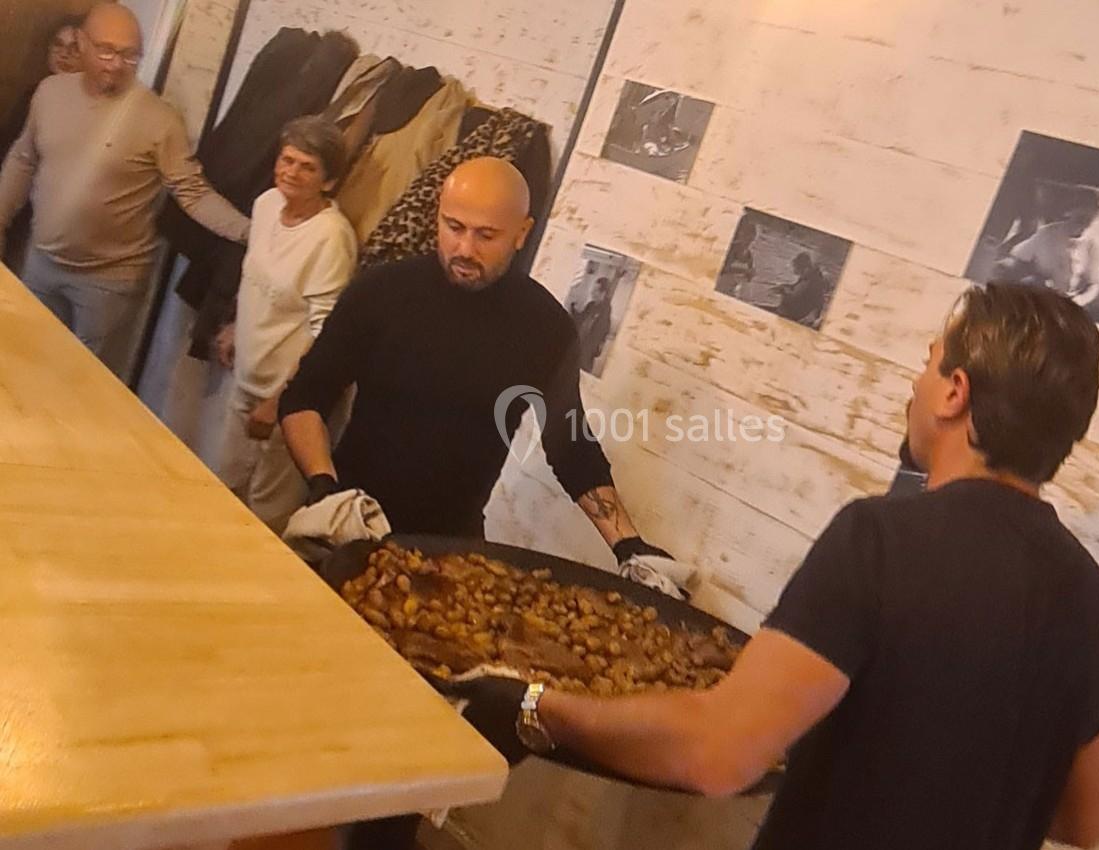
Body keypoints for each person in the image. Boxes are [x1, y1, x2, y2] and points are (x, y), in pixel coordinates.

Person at [456, 283, 1099, 850]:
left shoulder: (883, 541)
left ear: (954, 393)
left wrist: (538, 706)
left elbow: (718, 754)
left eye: (928, 362)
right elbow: (1084, 822)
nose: (915, 384)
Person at [280, 155, 680, 850]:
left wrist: (629, 545)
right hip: (349, 526)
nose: (463, 248)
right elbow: (305, 398)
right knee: (306, 713)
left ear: (522, 233)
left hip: (451, 552)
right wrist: (325, 488)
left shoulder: (544, 328)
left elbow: (571, 446)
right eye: (452, 226)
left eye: (485, 235)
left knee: (412, 740)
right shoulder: (383, 292)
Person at [0, 2, 249, 378]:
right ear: (81, 43)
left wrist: (253, 232)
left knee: (80, 383)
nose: (117, 64)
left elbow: (193, 193)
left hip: (107, 284)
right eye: (106, 51)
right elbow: (23, 159)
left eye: (130, 55)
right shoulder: (49, 93)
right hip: (41, 263)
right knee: (20, 364)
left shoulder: (160, 120)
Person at [214, 116, 356, 534]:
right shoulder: (266, 204)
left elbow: (323, 330)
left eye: (306, 166)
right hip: (246, 378)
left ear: (328, 182)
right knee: (222, 485)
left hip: (287, 400)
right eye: (287, 159)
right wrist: (233, 325)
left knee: (265, 513)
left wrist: (281, 400)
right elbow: (254, 274)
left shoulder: (331, 237)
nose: (290, 172)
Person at [0, 15, 84, 271]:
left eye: (75, 48)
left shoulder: (89, 110)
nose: (64, 54)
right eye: (58, 45)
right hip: (12, 210)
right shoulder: (32, 94)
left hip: (51, 225)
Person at [995, 201, 1097, 294]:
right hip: (1043, 293)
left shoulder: (1094, 243)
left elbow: (1094, 284)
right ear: (1069, 214)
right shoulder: (1047, 233)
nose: (1084, 225)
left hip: (1073, 299)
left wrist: (1078, 301)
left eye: (1089, 221)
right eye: (1080, 219)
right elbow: (1020, 258)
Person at [570, 275, 612, 372]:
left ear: (603, 293)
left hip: (585, 358)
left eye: (595, 290)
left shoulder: (605, 314)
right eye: (593, 289)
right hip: (577, 349)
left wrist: (585, 353)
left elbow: (597, 339)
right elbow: (580, 320)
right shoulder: (591, 305)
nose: (592, 292)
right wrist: (573, 309)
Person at [776, 251, 828, 325]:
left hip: (796, 315)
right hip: (795, 310)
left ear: (804, 268)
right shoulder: (807, 277)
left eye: (795, 267)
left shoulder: (813, 281)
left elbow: (817, 302)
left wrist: (784, 292)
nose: (794, 270)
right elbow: (796, 288)